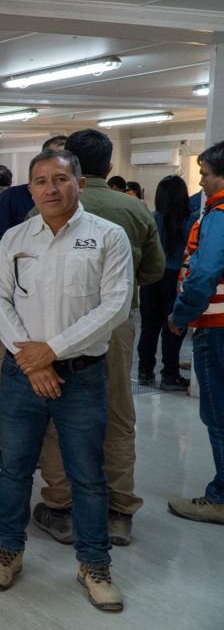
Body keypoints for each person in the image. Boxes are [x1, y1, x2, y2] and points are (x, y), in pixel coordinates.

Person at [0, 148, 132, 612]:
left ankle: (94, 564)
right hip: (22, 373)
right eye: (41, 181)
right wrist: (32, 360)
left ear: (79, 183)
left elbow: (115, 305)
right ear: (30, 189)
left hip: (81, 376)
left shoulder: (108, 236)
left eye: (61, 179)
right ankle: (7, 551)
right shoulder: (15, 237)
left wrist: (51, 350)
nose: (51, 188)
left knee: (86, 476)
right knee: (14, 470)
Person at [32, 129, 163, 549]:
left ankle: (61, 505)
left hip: (57, 324)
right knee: (118, 413)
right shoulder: (135, 209)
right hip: (117, 325)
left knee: (59, 411)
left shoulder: (45, 206)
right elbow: (154, 270)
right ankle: (119, 511)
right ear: (109, 165)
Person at [0, 135, 63, 478]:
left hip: (64, 321)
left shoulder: (90, 220)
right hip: (14, 311)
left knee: (60, 387)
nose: (51, 187)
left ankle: (44, 454)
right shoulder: (14, 200)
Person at [167, 140, 224, 525]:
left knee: (218, 413)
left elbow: (203, 274)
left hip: (216, 327)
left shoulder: (219, 216)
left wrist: (183, 313)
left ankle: (220, 497)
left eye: (205, 174)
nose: (200, 182)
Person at [137, 175, 197, 390]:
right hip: (177, 278)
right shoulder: (191, 221)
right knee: (174, 326)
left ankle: (144, 371)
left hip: (151, 277)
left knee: (148, 326)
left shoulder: (151, 218)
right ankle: (170, 375)